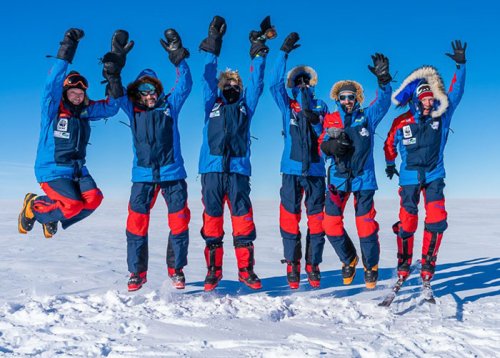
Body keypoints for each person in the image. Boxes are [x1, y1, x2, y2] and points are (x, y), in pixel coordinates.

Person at [101, 29, 192, 291]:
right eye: (144, 89)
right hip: (142, 176)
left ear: (158, 90)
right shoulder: (132, 109)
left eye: (152, 88)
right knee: (136, 224)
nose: (149, 93)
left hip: (173, 174)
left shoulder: (170, 106)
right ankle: (137, 273)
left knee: (178, 223)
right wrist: (114, 67)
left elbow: (185, 85)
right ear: (137, 92)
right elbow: (116, 95)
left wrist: (178, 58)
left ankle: (176, 270)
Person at [18, 28, 120, 239]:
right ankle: (33, 207)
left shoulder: (85, 111)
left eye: (80, 93)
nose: (76, 96)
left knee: (93, 199)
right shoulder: (52, 109)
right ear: (65, 93)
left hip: (77, 170)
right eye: (72, 92)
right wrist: (68, 48)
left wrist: (114, 78)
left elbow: (111, 107)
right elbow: (52, 84)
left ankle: (53, 213)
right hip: (52, 170)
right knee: (72, 205)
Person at [198, 15, 274, 291]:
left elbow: (257, 83)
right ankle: (213, 272)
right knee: (213, 221)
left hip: (239, 171)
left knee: (242, 221)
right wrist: (213, 45)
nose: (231, 87)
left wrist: (258, 51)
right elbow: (207, 78)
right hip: (212, 171)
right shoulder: (211, 104)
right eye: (227, 84)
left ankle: (246, 271)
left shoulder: (246, 106)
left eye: (235, 85)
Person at [384, 40, 466, 284]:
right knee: (408, 221)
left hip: (434, 175)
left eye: (432, 98)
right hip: (409, 176)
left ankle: (428, 262)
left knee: (437, 218)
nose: (430, 102)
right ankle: (404, 262)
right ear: (417, 100)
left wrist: (460, 67)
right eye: (426, 98)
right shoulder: (402, 121)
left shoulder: (442, 116)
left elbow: (456, 92)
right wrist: (390, 164)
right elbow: (389, 143)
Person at [321, 53, 392, 289]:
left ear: (357, 98)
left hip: (363, 179)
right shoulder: (330, 119)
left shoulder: (366, 117)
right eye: (343, 97)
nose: (347, 100)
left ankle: (370, 266)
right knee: (330, 224)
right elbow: (321, 147)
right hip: (338, 180)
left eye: (351, 96)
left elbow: (383, 103)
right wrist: (327, 146)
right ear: (337, 99)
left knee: (365, 224)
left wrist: (383, 81)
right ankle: (348, 258)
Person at [269, 32, 329, 289]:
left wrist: (315, 124)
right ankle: (292, 263)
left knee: (317, 219)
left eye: (306, 80)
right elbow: (273, 85)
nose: (302, 84)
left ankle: (312, 263)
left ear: (312, 83)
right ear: (293, 85)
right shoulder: (287, 106)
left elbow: (328, 137)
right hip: (291, 170)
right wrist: (283, 53)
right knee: (289, 217)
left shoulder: (322, 106)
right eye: (298, 80)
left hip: (315, 171)